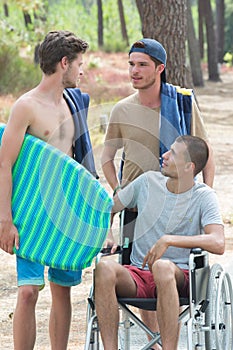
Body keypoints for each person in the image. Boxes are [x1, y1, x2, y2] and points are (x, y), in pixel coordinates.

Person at [101, 38, 215, 344]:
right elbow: (107, 159)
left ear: (159, 68)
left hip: (180, 199)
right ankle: (151, 339)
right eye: (131, 65)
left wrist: (203, 195)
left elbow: (206, 152)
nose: (134, 71)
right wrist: (120, 190)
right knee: (140, 271)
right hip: (136, 206)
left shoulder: (182, 102)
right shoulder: (121, 109)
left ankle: (162, 340)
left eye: (142, 65)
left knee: (163, 269)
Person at [0, 30, 97, 350]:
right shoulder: (26, 106)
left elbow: (79, 162)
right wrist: (5, 219)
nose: (82, 71)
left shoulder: (76, 102)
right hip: (30, 212)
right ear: (64, 63)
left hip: (65, 212)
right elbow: (4, 164)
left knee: (62, 288)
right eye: (79, 64)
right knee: (28, 291)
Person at [95, 135, 225, 350]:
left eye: (173, 153)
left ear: (188, 167)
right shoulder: (147, 182)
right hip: (138, 273)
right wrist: (108, 234)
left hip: (180, 276)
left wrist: (169, 240)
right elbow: (108, 207)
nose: (164, 156)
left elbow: (218, 242)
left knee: (162, 266)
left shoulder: (204, 197)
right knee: (104, 268)